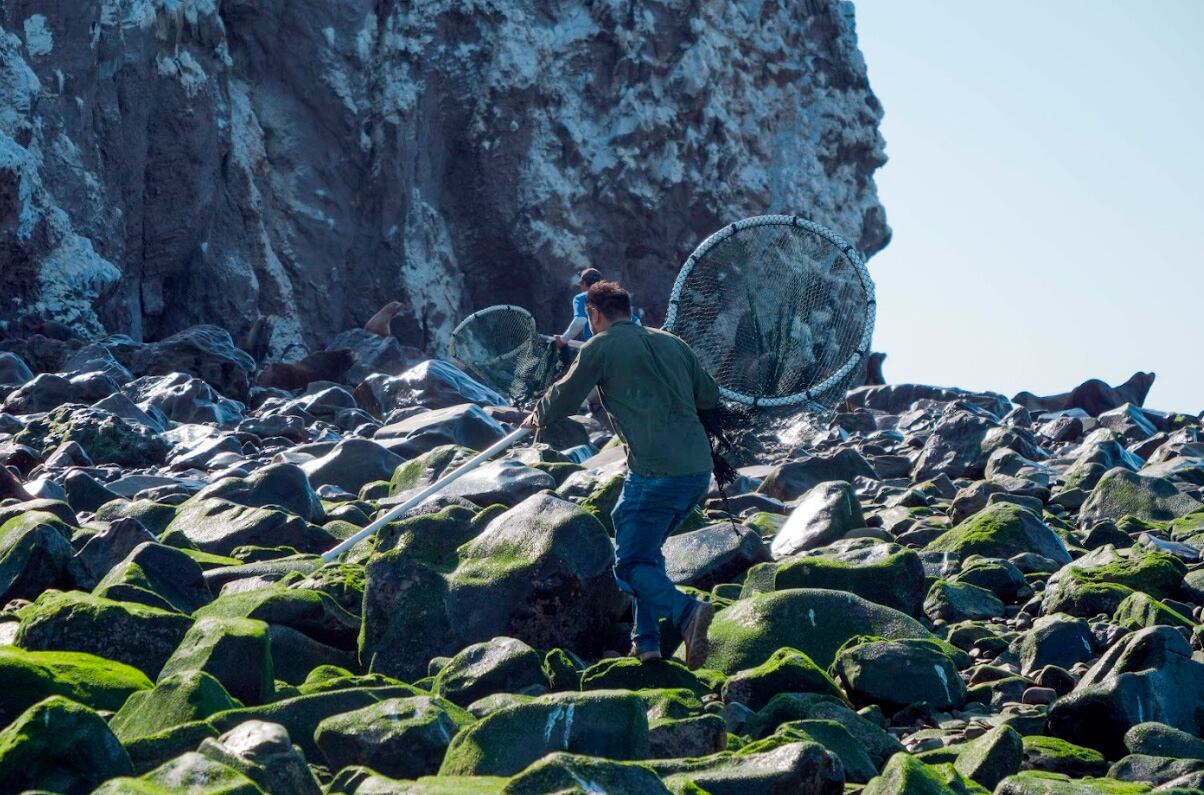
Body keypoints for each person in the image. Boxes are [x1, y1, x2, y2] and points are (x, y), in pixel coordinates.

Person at [525, 281, 720, 669]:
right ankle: (646, 644)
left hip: (655, 473)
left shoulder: (602, 346)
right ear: (627, 310)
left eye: (590, 317)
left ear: (595, 315)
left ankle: (687, 614)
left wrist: (537, 416)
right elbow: (709, 396)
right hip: (697, 472)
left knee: (629, 563)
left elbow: (567, 394)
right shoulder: (672, 343)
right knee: (646, 553)